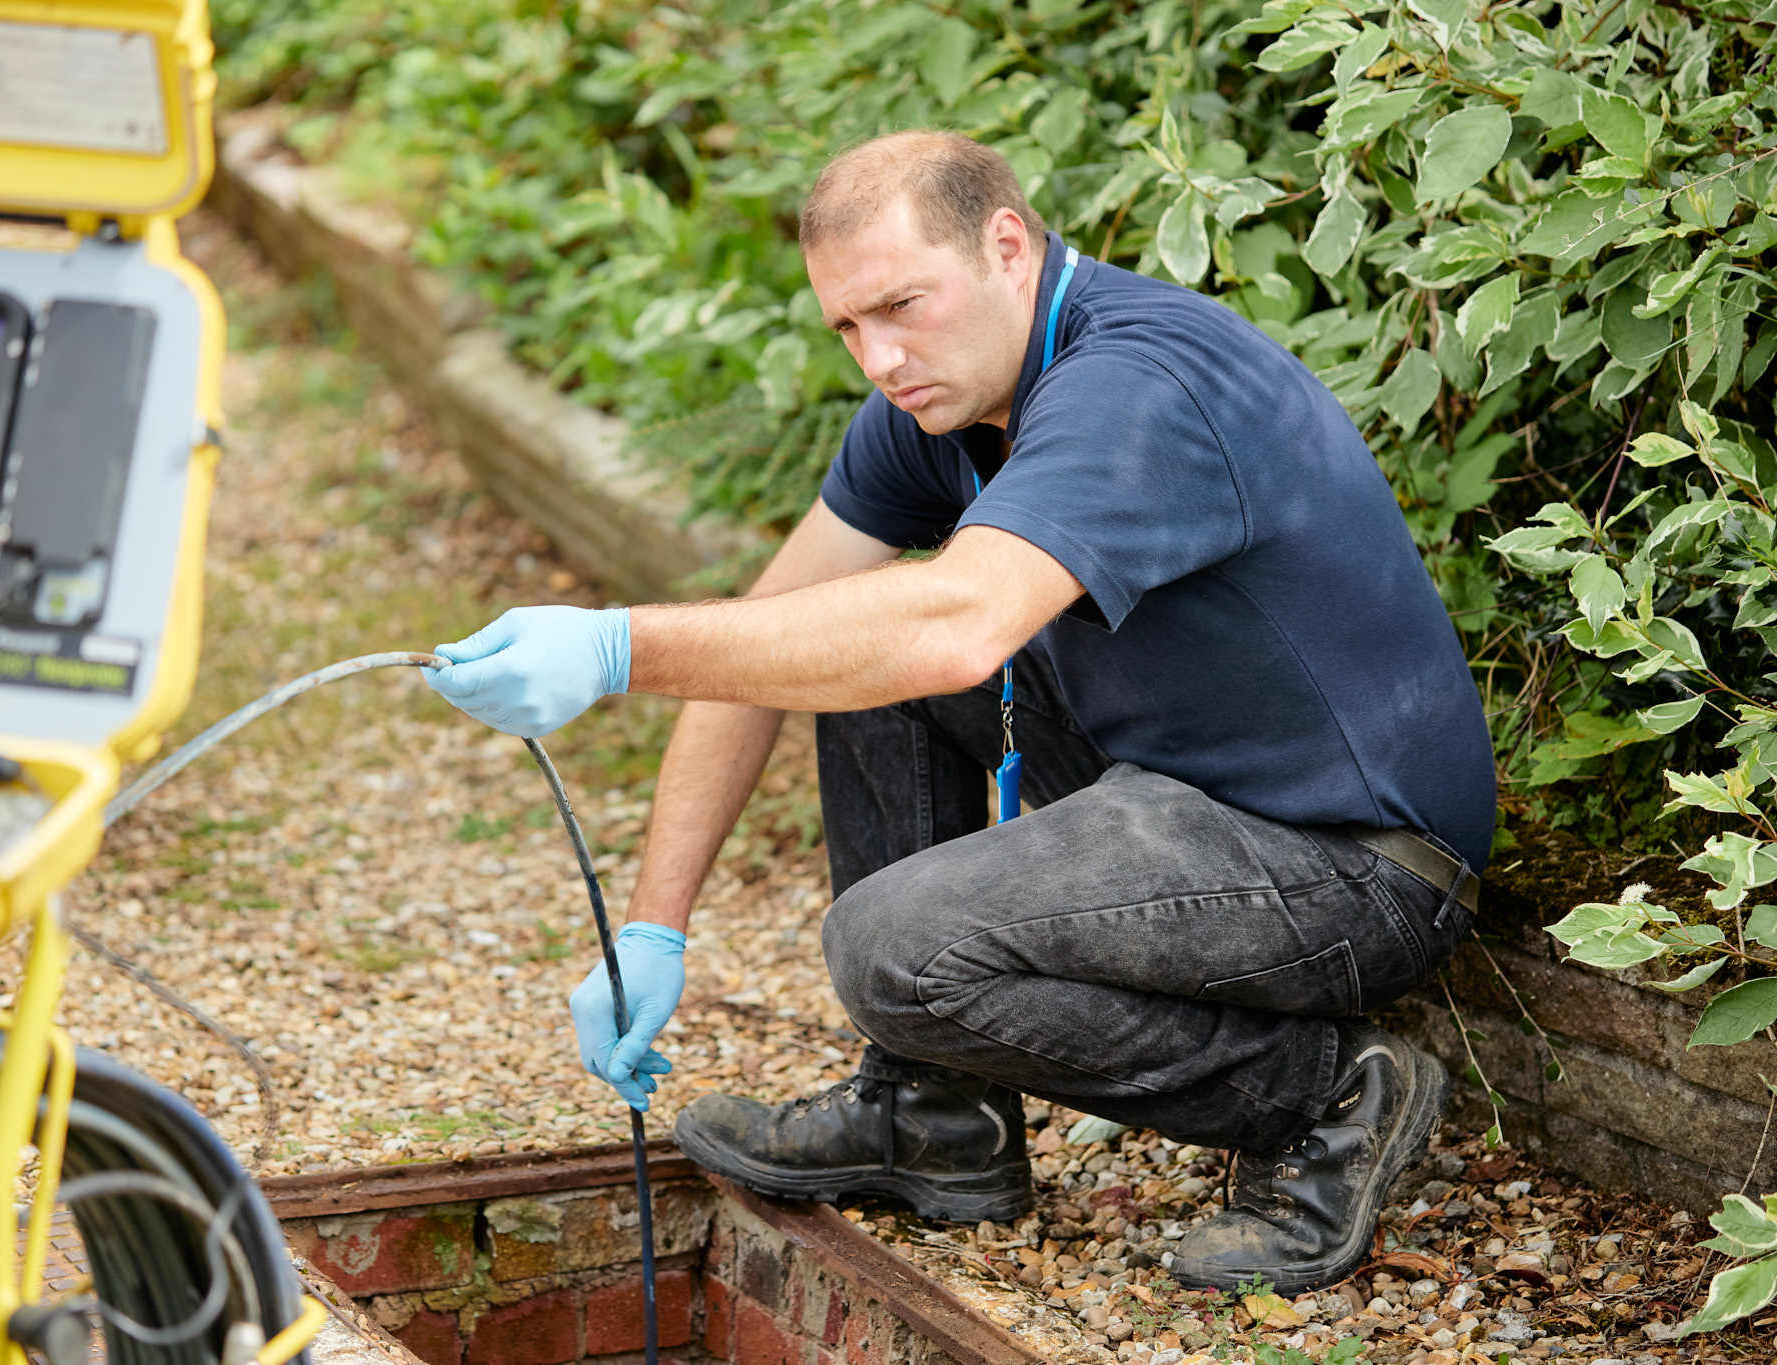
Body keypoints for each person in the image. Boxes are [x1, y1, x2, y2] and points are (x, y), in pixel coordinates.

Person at [422, 130, 1495, 1295]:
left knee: (891, 949)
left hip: (1353, 861)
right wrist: (652, 929)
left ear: (1005, 245)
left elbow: (957, 623)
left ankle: (1324, 1097)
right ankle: (935, 1119)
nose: (879, 358)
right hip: (1181, 788)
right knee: (844, 639)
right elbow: (769, 636)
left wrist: (614, 644)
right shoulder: (941, 403)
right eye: (846, 327)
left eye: (900, 305)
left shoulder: (1139, 384)